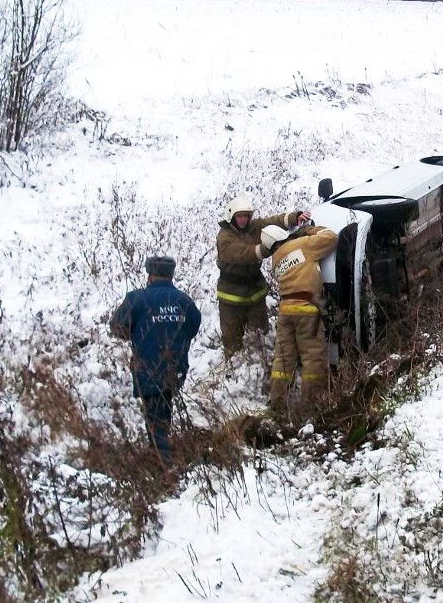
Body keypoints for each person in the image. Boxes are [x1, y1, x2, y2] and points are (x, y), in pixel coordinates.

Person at [109, 255, 201, 467]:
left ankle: (162, 465)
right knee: (163, 410)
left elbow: (117, 326)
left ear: (149, 275)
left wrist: (137, 336)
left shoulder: (137, 299)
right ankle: (160, 456)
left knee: (155, 418)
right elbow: (193, 326)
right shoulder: (183, 300)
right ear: (171, 275)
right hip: (175, 368)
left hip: (147, 368)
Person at [216, 196, 309, 361]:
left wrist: (295, 217)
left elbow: (273, 222)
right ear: (231, 217)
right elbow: (242, 253)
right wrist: (268, 249)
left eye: (246, 216)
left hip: (255, 294)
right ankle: (231, 373)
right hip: (231, 299)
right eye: (240, 216)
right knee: (232, 343)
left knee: (260, 339)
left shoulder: (254, 227)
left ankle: (260, 370)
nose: (243, 219)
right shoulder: (224, 237)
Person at [262, 223, 338, 413]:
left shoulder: (276, 260)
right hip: (306, 311)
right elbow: (331, 237)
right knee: (313, 357)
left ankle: (278, 404)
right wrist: (309, 230)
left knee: (283, 360)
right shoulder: (303, 244)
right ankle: (312, 405)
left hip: (285, 312)